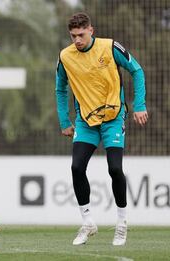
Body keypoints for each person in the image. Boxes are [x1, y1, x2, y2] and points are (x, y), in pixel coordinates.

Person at [55, 12, 147, 246]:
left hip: (113, 117)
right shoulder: (65, 56)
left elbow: (136, 70)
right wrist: (64, 121)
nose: (77, 40)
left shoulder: (110, 47)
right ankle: (87, 222)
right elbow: (60, 88)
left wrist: (139, 105)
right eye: (73, 36)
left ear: (91, 30)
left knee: (115, 168)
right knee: (76, 167)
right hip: (86, 121)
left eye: (81, 35)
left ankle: (122, 224)